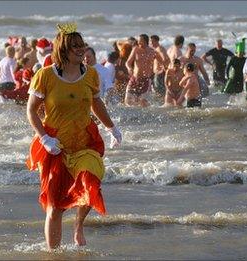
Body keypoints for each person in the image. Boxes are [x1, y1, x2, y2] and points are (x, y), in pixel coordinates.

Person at [26, 23, 122, 250]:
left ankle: (78, 226)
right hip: (55, 145)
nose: (81, 50)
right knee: (55, 207)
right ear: (63, 49)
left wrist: (111, 128)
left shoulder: (90, 75)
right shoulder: (45, 75)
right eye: (75, 47)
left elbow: (96, 104)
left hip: (84, 143)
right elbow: (31, 111)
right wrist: (44, 139)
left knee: (91, 183)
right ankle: (54, 254)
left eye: (82, 46)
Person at [125, 34, 164, 107]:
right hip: (135, 78)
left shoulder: (152, 52)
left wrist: (159, 70)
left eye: (140, 41)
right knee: (128, 101)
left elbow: (162, 62)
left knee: (143, 103)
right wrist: (129, 68)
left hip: (145, 80)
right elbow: (128, 62)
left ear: (145, 41)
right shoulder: (135, 50)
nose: (138, 42)